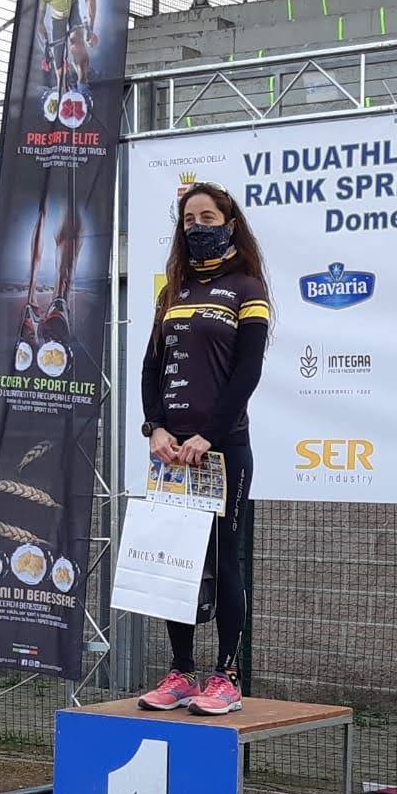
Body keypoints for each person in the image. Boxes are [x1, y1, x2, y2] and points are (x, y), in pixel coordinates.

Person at [137, 182, 271, 717]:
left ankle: (227, 677)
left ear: (229, 224)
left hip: (223, 450)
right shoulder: (172, 291)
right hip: (172, 456)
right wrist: (155, 428)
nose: (197, 226)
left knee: (224, 559)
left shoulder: (247, 287)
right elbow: (151, 366)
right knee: (179, 562)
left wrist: (209, 435)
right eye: (189, 220)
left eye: (208, 217)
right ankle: (181, 672)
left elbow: (248, 372)